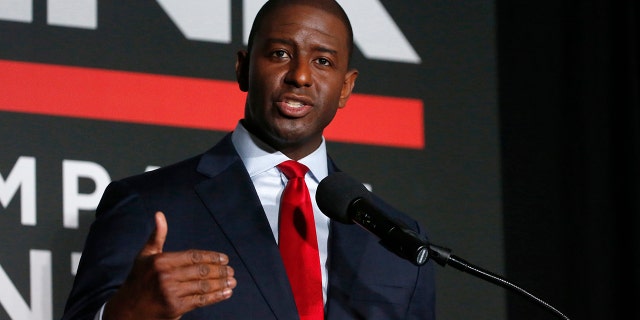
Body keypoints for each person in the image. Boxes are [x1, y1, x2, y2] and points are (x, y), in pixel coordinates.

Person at [61, 0, 436, 319]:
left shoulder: (398, 240)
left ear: (346, 87)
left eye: (322, 61)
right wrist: (124, 315)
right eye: (280, 54)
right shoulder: (149, 204)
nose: (300, 76)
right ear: (243, 67)